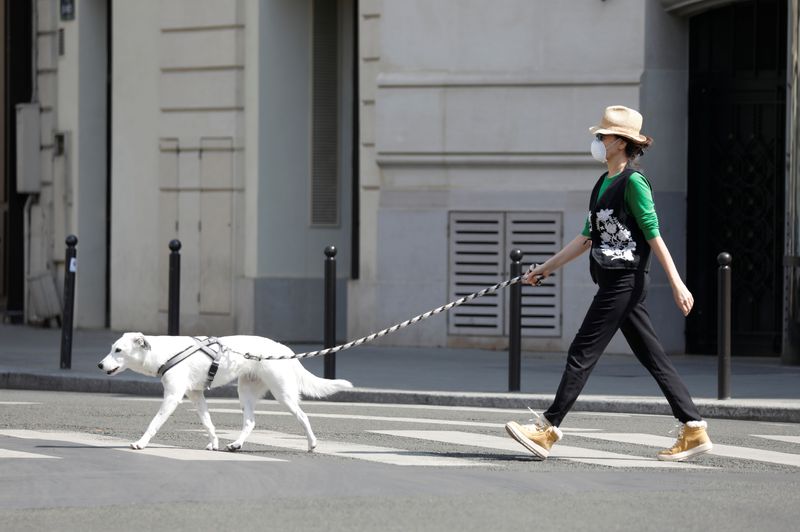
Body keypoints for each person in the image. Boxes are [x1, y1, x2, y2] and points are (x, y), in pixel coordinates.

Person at [504, 105, 712, 462]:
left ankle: (548, 429)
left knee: (582, 351)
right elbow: (585, 239)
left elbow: (654, 235)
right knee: (653, 357)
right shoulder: (603, 184)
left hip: (624, 282)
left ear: (621, 143)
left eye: (603, 136)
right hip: (612, 282)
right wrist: (545, 269)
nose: (598, 141)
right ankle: (693, 427)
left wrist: (678, 283)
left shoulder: (633, 183)